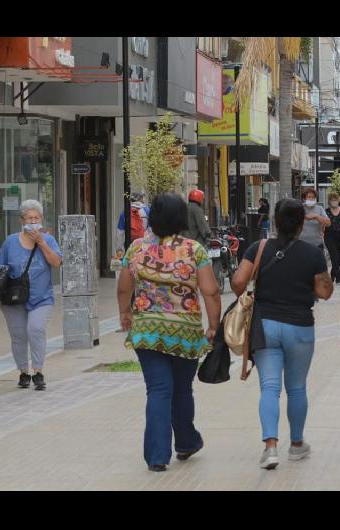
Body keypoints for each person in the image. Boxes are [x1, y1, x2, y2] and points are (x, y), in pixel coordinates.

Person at [117, 193, 221, 472]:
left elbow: (124, 286)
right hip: (184, 331)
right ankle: (186, 441)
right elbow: (210, 291)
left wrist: (125, 313)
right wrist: (213, 325)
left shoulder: (136, 248)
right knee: (182, 389)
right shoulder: (194, 250)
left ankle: (157, 456)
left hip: (147, 331)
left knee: (158, 390)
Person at [231, 199, 334, 470]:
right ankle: (297, 445)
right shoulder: (312, 253)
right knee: (297, 387)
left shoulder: (258, 248)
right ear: (302, 224)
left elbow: (239, 282)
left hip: (265, 325)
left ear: (275, 222)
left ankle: (270, 447)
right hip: (300, 325)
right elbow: (325, 291)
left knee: (270, 387)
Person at [0, 200, 63, 390]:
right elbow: (0, 269)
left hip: (41, 298)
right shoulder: (10, 242)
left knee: (36, 330)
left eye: (36, 218)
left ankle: (38, 371)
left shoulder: (48, 240)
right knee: (18, 335)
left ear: (41, 220)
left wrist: (41, 242)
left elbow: (56, 262)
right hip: (14, 298)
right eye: (29, 218)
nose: (33, 221)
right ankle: (23, 371)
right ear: (22, 220)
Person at [324, 192, 340, 284]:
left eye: (335, 200)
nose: (334, 202)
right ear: (329, 201)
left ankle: (332, 275)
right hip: (329, 236)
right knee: (334, 256)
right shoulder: (326, 211)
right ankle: (339, 278)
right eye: (332, 200)